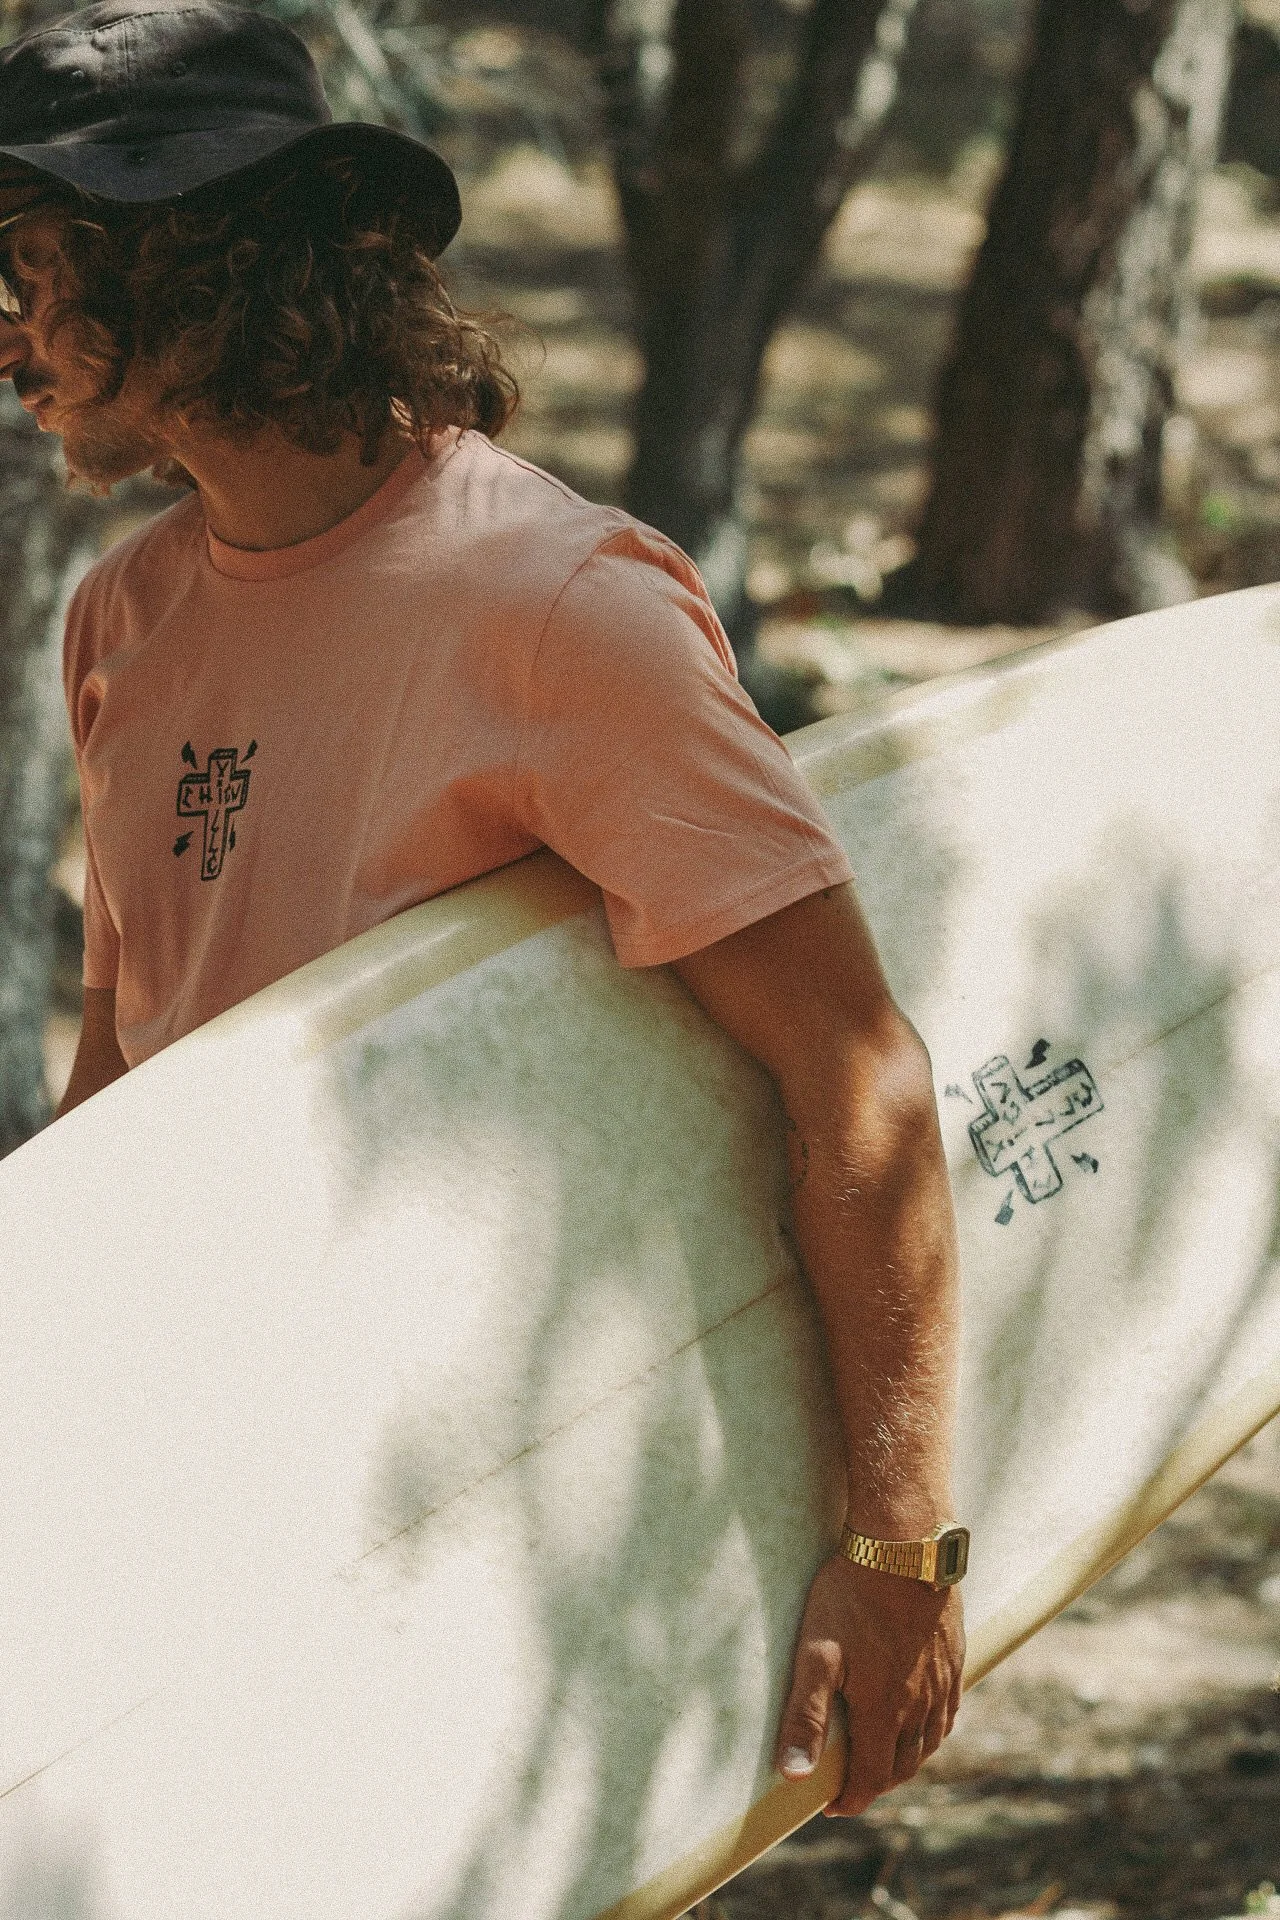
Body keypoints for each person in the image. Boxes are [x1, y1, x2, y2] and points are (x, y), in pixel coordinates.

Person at [0, 0, 965, 1824]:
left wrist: (899, 1552)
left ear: (189, 264)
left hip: (510, 1517)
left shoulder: (556, 613)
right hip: (240, 1495)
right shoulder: (125, 620)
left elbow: (864, 1083)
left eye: (33, 268)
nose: (5, 330)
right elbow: (131, 1069)